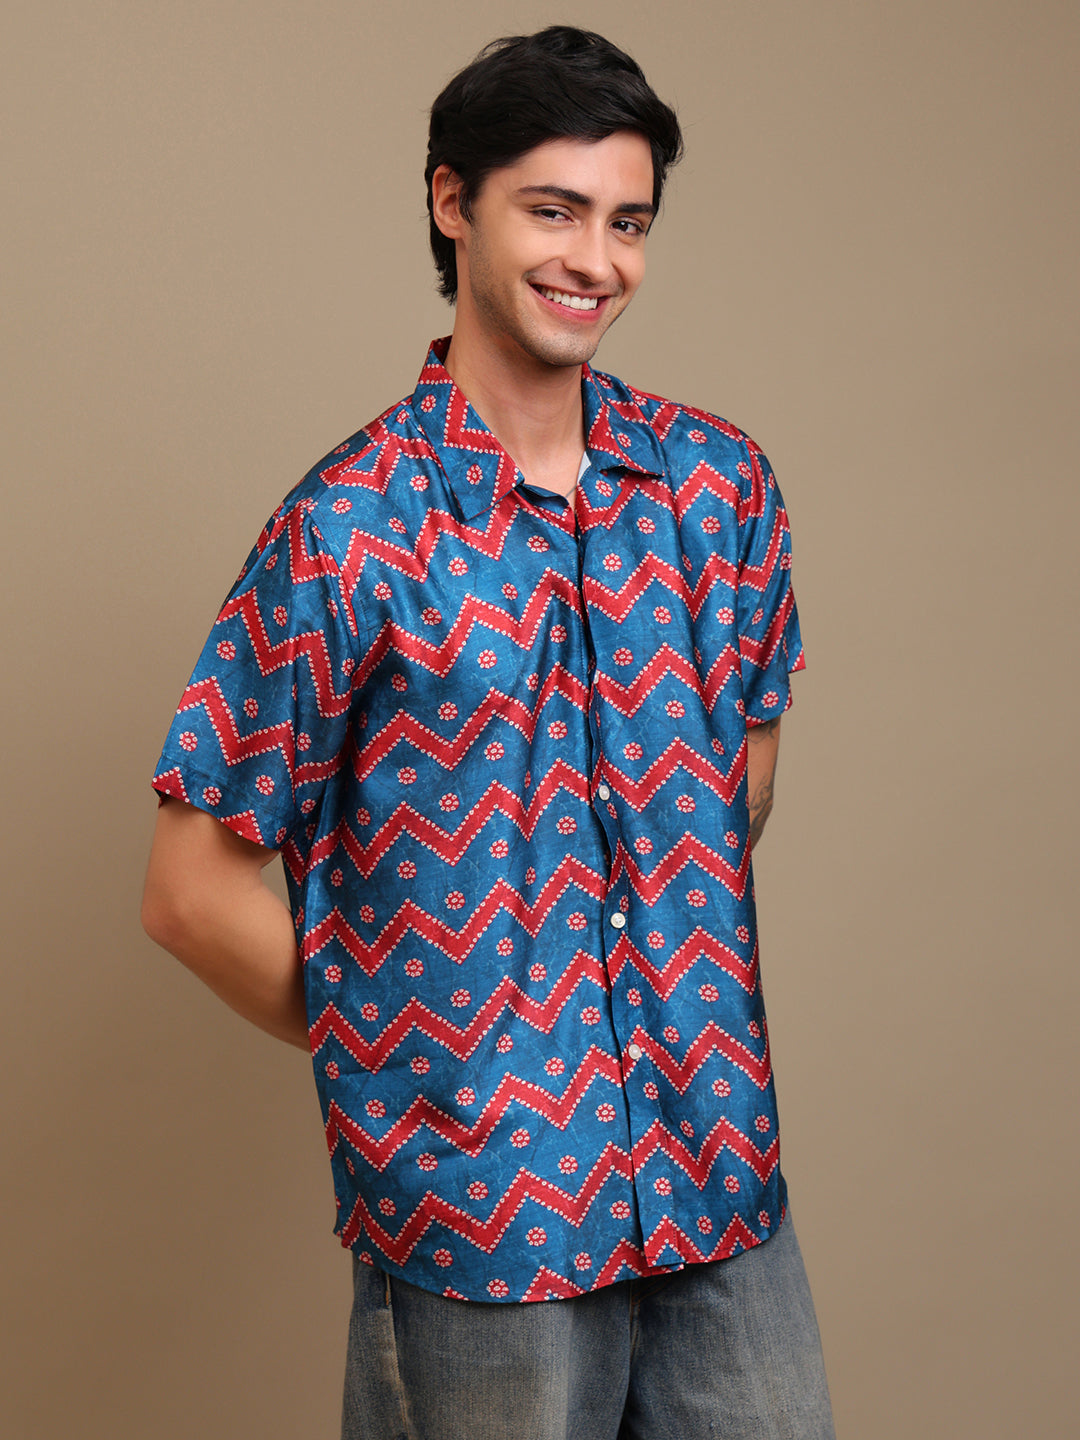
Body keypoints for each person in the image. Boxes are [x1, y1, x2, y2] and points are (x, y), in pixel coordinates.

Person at [142, 24, 835, 1440]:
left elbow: (740, 780)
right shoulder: (348, 533)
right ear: (455, 202)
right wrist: (422, 1056)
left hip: (717, 1178)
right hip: (482, 1224)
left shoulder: (721, 492)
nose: (597, 259)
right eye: (555, 209)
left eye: (628, 221)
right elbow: (189, 890)